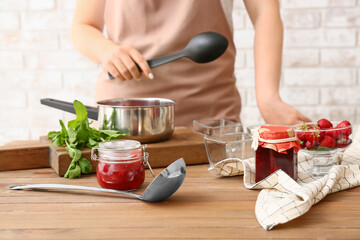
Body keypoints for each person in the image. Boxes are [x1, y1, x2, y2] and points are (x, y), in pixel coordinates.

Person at [71, 0, 311, 128]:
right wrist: (107, 52)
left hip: (212, 118)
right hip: (126, 118)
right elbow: (83, 26)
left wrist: (268, 98)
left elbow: (265, 10)